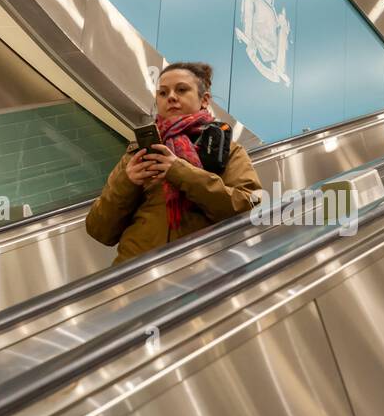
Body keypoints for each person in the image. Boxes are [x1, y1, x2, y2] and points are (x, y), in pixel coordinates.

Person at [85, 62, 262, 265]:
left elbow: (250, 208)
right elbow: (99, 230)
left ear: (204, 100)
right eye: (162, 92)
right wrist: (127, 182)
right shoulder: (138, 153)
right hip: (133, 276)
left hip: (200, 274)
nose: (171, 97)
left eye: (181, 89)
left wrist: (179, 171)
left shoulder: (228, 151)